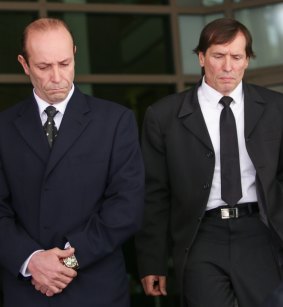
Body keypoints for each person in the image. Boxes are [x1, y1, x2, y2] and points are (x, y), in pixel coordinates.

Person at [135, 17, 283, 307]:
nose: (228, 67)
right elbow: (154, 194)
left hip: (261, 233)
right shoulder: (163, 116)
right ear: (202, 58)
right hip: (201, 236)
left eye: (236, 57)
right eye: (218, 56)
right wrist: (152, 260)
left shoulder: (276, 109)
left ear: (246, 61)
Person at [0, 17, 144, 307]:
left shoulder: (116, 121)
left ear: (75, 54)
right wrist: (32, 261)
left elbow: (127, 205)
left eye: (64, 64)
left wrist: (70, 261)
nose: (57, 76)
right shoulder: (3, 128)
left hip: (97, 290)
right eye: (43, 66)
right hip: (27, 291)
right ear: (24, 64)